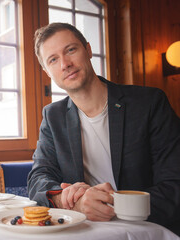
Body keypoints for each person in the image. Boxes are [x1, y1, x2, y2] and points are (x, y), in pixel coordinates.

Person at [27, 22, 180, 235]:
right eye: (53, 59)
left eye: (71, 50)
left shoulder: (149, 103)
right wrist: (70, 200)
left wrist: (108, 203)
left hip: (149, 230)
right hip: (87, 231)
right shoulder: (53, 116)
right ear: (47, 71)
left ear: (88, 50)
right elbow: (38, 178)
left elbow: (174, 183)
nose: (65, 64)